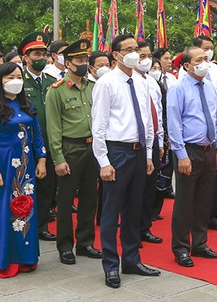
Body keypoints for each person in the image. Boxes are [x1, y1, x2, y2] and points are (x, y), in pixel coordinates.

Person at [92, 34, 160, 289]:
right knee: (111, 211)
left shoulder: (142, 82)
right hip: (117, 151)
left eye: (137, 50)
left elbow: (147, 121)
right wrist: (103, 161)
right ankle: (111, 265)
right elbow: (98, 125)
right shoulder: (106, 83)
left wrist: (149, 154)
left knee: (134, 208)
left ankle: (132, 259)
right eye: (128, 50)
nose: (134, 54)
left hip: (140, 151)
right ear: (116, 54)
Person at [0, 62, 47, 277]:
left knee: (26, 209)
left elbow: (37, 134)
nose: (15, 81)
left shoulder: (27, 106)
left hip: (26, 165)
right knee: (5, 210)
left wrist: (42, 160)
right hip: (3, 165)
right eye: (9, 77)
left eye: (18, 76)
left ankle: (26, 257)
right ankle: (5, 260)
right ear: (0, 81)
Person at [167, 46, 217, 267]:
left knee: (204, 200)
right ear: (187, 65)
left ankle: (200, 244)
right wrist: (181, 155)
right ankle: (181, 248)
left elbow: (216, 118)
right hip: (188, 150)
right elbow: (174, 124)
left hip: (209, 149)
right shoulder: (178, 88)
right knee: (185, 201)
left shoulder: (210, 86)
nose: (205, 62)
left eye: (206, 58)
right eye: (199, 59)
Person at [45, 39, 102, 265]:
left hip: (91, 147)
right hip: (70, 148)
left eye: (85, 60)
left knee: (90, 198)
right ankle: (65, 245)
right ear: (67, 63)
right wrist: (58, 158)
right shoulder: (56, 91)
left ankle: (85, 242)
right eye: (79, 60)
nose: (83, 63)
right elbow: (53, 128)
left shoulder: (93, 87)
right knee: (66, 201)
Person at [18, 32, 58, 241]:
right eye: (36, 54)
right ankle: (23, 225)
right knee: (24, 187)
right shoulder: (19, 83)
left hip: (49, 144)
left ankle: (41, 226)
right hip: (25, 145)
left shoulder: (52, 81)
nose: (41, 57)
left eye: (44, 53)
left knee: (46, 188)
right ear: (26, 57)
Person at [134, 40, 165, 246]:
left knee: (149, 188)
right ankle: (132, 230)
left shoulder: (152, 82)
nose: (145, 60)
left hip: (153, 141)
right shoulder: (129, 81)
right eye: (141, 56)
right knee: (135, 190)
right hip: (135, 143)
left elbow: (159, 114)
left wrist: (160, 141)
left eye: (148, 56)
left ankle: (145, 227)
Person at [152, 47, 175, 216]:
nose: (169, 61)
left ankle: (162, 193)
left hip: (167, 128)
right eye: (165, 58)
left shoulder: (172, 79)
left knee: (166, 166)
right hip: (155, 130)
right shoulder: (147, 83)